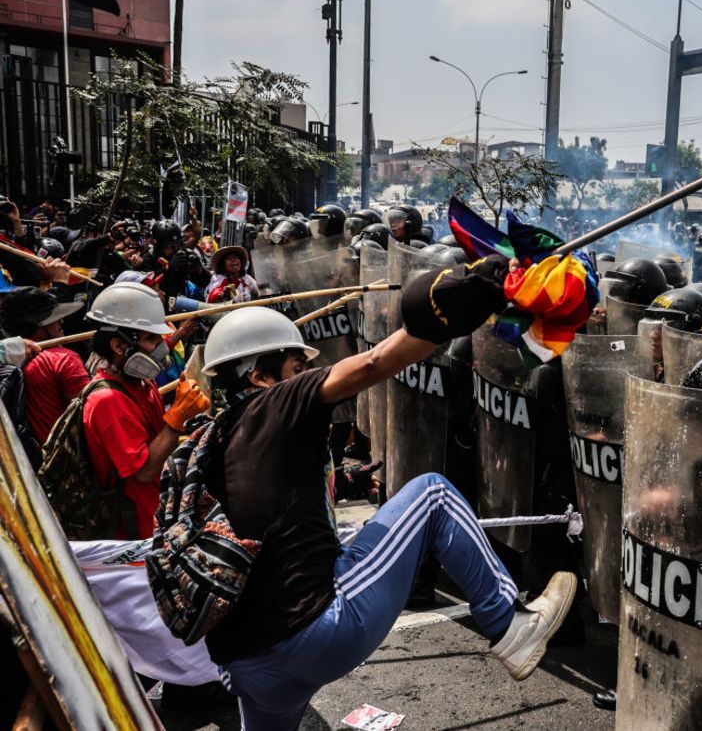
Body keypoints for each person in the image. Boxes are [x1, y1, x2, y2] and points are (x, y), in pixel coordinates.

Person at [190, 255, 576, 730]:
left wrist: (344, 481)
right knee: (432, 496)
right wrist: (462, 297)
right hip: (311, 630)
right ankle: (510, 626)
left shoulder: (208, 440)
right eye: (294, 365)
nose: (303, 375)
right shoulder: (277, 402)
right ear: (256, 375)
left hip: (243, 663)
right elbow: (378, 361)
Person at [82, 283, 210, 538]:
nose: (160, 346)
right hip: (136, 528)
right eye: (151, 339)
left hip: (161, 510)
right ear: (120, 347)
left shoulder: (142, 382)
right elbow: (144, 471)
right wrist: (177, 416)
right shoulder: (107, 401)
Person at [0, 287, 89, 446]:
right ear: (34, 326)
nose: (62, 320)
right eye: (53, 317)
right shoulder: (62, 359)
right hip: (63, 464)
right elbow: (92, 418)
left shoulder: (10, 364)